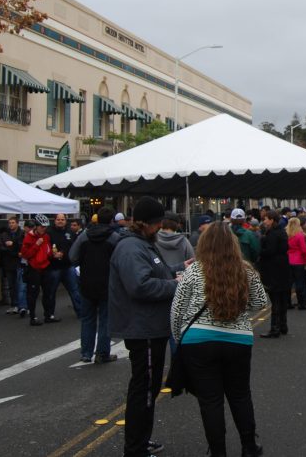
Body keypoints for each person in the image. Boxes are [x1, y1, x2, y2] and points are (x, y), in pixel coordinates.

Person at [170, 222, 267, 457]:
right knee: (240, 394)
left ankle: (218, 451)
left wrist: (179, 339)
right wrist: (242, 312)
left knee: (210, 400)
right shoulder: (246, 270)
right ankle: (249, 446)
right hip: (237, 339)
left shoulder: (194, 270)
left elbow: (177, 310)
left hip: (198, 341)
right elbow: (261, 303)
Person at [109, 196, 179, 457]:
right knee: (145, 390)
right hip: (144, 328)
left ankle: (141, 439)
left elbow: (154, 272)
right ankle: (135, 448)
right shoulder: (131, 247)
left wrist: (177, 269)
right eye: (158, 222)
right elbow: (139, 286)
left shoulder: (142, 244)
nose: (161, 227)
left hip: (151, 326)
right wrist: (176, 284)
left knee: (147, 388)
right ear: (148, 223)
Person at [69, 213, 120, 364]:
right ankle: (102, 353)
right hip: (107, 283)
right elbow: (120, 259)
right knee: (105, 319)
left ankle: (86, 353)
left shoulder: (85, 236)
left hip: (86, 282)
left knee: (87, 319)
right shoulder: (114, 238)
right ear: (111, 221)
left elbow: (72, 256)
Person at [257, 210, 291, 338]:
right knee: (282, 299)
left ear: (272, 220)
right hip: (283, 269)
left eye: (266, 219)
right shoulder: (282, 232)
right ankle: (283, 325)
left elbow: (269, 251)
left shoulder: (272, 235)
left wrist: (261, 251)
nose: (264, 221)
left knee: (275, 300)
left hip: (273, 270)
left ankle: (274, 328)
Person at [45, 213, 82, 321]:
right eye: (58, 219)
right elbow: (46, 248)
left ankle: (81, 312)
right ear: (54, 220)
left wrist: (64, 254)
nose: (60, 221)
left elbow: (74, 247)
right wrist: (53, 254)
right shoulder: (48, 233)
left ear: (66, 221)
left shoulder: (70, 232)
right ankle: (49, 315)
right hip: (53, 267)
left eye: (62, 219)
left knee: (74, 290)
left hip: (68, 266)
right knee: (51, 292)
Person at [20, 217, 55, 326]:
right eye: (42, 227)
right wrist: (36, 245)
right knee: (33, 294)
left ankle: (48, 315)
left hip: (45, 267)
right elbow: (26, 254)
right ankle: (33, 317)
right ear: (36, 226)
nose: (44, 229)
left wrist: (52, 254)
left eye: (45, 227)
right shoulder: (29, 238)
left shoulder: (46, 236)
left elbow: (48, 250)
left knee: (48, 292)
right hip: (34, 268)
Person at [0, 216, 24, 315]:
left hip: (18, 262)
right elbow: (0, 246)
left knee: (19, 285)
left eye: (13, 222)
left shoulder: (21, 233)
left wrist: (12, 245)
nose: (11, 224)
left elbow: (22, 246)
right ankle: (14, 304)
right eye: (10, 223)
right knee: (11, 285)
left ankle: (21, 305)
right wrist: (11, 249)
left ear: (17, 223)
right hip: (8, 262)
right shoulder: (4, 234)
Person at [286, 217, 306, 310]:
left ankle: (288, 303)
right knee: (300, 282)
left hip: (289, 259)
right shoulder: (299, 235)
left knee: (289, 283)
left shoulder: (287, 234)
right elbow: (304, 249)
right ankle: (302, 303)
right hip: (299, 260)